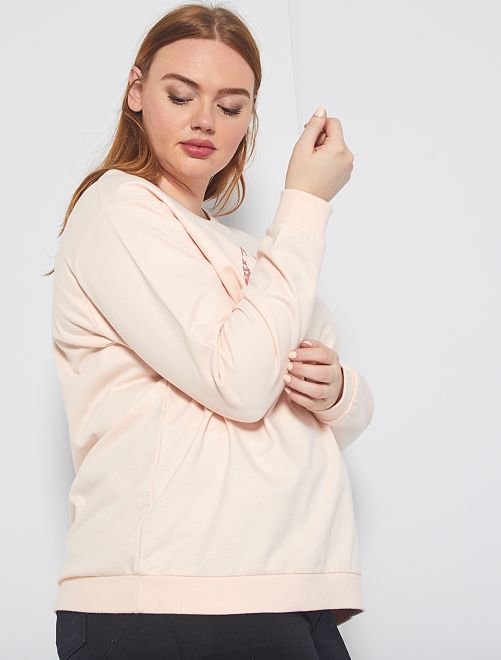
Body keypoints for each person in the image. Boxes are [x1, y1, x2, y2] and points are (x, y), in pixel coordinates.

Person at [45, 2, 375, 658]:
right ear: (136, 91)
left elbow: (313, 420)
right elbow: (243, 384)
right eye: (180, 95)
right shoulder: (119, 210)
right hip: (170, 593)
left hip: (285, 583)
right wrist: (306, 201)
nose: (205, 120)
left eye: (230, 106)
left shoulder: (253, 251)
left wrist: (339, 390)